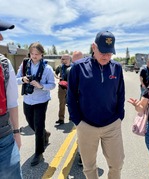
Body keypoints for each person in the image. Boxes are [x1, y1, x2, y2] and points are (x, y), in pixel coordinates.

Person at [67, 31, 125, 179]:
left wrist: (119, 116)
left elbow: (120, 94)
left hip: (112, 125)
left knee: (117, 163)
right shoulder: (78, 68)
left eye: (110, 53)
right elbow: (71, 97)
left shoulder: (117, 68)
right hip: (86, 126)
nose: (106, 56)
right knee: (89, 166)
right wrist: (78, 121)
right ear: (94, 47)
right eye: (103, 52)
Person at [16, 42, 56, 166]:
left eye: (37, 54)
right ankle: (45, 133)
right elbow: (16, 80)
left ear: (42, 54)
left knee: (38, 126)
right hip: (28, 100)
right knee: (30, 123)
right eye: (32, 54)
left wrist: (41, 85)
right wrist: (22, 79)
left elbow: (53, 84)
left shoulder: (47, 68)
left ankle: (39, 153)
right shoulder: (24, 65)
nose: (34, 56)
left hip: (41, 100)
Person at [0, 20, 23, 179]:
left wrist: (16, 132)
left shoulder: (4, 64)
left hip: (3, 138)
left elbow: (12, 102)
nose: (1, 38)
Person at [55, 54, 72, 125]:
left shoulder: (74, 66)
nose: (62, 60)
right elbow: (55, 73)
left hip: (71, 87)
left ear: (69, 59)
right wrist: (57, 77)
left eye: (64, 59)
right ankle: (61, 119)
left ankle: (72, 116)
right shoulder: (60, 67)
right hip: (62, 87)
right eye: (62, 59)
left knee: (71, 103)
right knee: (61, 103)